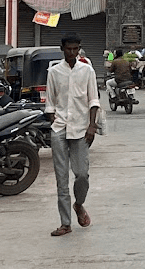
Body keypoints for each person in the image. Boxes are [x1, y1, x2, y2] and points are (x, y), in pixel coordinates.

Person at [46, 32, 100, 237]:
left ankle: (79, 204)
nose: (72, 52)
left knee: (82, 175)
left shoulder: (87, 71)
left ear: (79, 48)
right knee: (61, 179)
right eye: (68, 49)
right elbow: (50, 103)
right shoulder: (53, 71)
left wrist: (92, 126)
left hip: (81, 130)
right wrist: (54, 123)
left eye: (75, 49)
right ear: (62, 49)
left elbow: (93, 100)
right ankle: (65, 223)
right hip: (59, 128)